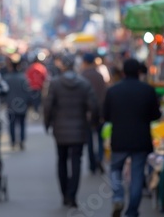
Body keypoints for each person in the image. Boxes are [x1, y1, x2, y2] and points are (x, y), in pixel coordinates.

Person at [103, 58, 162, 217]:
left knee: (115, 169)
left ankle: (118, 197)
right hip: (141, 139)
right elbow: (156, 115)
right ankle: (132, 211)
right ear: (139, 72)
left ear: (123, 72)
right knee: (137, 175)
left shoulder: (113, 90)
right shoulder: (147, 90)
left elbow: (106, 116)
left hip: (119, 139)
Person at [44, 54, 99, 208]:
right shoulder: (84, 83)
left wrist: (47, 123)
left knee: (61, 160)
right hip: (80, 128)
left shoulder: (55, 83)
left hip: (60, 129)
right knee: (76, 161)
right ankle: (72, 195)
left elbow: (48, 106)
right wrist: (92, 122)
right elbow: (93, 106)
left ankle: (64, 194)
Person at [80, 53, 107, 174]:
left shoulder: (82, 76)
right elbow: (104, 94)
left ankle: (92, 163)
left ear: (85, 62)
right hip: (100, 112)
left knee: (90, 139)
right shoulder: (99, 75)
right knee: (100, 138)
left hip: (87, 113)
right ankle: (100, 158)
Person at [3, 54, 31, 150]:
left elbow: (4, 92)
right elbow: (28, 91)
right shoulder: (23, 78)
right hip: (22, 104)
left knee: (12, 124)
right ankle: (22, 141)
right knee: (22, 124)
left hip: (11, 105)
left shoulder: (7, 78)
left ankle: (13, 142)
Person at [25, 53, 48, 118]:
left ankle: (36, 111)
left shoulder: (31, 67)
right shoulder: (42, 68)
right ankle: (36, 111)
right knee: (38, 100)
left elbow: (27, 77)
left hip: (32, 87)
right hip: (39, 87)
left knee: (34, 100)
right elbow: (45, 78)